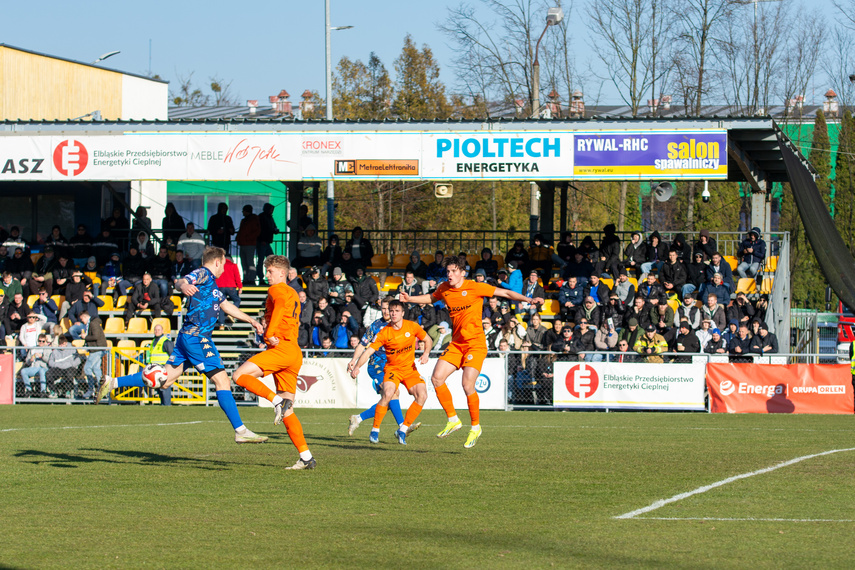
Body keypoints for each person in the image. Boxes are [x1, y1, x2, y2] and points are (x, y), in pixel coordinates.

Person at [96, 247, 269, 444]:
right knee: (223, 381)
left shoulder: (212, 284)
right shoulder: (204, 273)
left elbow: (226, 306)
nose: (225, 268)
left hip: (187, 336)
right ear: (218, 262)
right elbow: (181, 281)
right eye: (225, 264)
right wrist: (183, 286)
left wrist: (251, 321)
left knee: (166, 380)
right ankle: (241, 430)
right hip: (197, 337)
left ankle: (113, 383)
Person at [400, 254, 543, 449]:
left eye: (452, 271)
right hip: (457, 344)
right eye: (447, 271)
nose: (449, 274)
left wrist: (529, 299)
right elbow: (431, 297)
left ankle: (475, 427)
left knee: (467, 385)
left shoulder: (475, 286)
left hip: (475, 344)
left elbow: (506, 294)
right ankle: (453, 420)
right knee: (436, 378)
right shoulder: (444, 288)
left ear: (462, 273)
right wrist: (410, 298)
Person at [229, 255, 317, 469]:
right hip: (294, 352)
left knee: (238, 376)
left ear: (282, 273)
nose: (267, 275)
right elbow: (282, 313)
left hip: (281, 348)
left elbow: (278, 310)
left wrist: (269, 333)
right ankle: (306, 457)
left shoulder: (277, 289)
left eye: (270, 271)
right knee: (289, 412)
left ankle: (275, 400)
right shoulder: (294, 293)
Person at [350, 299, 433, 445]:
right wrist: (356, 365)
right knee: (389, 394)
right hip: (384, 367)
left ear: (402, 312)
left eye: (394, 310)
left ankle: (401, 428)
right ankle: (376, 430)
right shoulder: (380, 329)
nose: (390, 313)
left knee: (421, 395)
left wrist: (426, 353)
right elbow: (367, 349)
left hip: (409, 369)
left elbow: (428, 339)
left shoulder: (411, 327)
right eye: (388, 310)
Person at [347, 298, 411, 435]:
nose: (386, 311)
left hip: (392, 365)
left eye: (388, 309)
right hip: (376, 365)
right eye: (383, 308)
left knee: (388, 399)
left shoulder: (401, 326)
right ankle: (403, 427)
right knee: (392, 393)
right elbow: (363, 345)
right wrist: (354, 360)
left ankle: (358, 418)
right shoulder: (376, 326)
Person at [149, 323, 174, 405]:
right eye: (155, 330)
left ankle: (167, 405)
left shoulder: (166, 342)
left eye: (158, 330)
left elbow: (172, 355)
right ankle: (163, 405)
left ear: (162, 331)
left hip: (163, 368)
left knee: (165, 388)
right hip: (155, 369)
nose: (157, 331)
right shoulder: (153, 341)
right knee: (159, 389)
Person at [216, 255, 242, 328]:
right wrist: (240, 286)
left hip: (220, 287)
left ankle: (221, 324)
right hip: (231, 287)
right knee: (237, 300)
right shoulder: (233, 265)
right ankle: (231, 314)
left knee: (221, 304)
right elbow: (237, 276)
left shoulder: (219, 266)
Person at [256, 203, 280, 283]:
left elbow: (272, 227)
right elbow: (261, 229)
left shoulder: (270, 218)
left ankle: (270, 277)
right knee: (261, 260)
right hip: (262, 241)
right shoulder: (262, 217)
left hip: (267, 241)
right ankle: (261, 278)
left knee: (271, 259)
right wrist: (262, 239)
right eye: (271, 210)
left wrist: (275, 230)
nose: (272, 211)